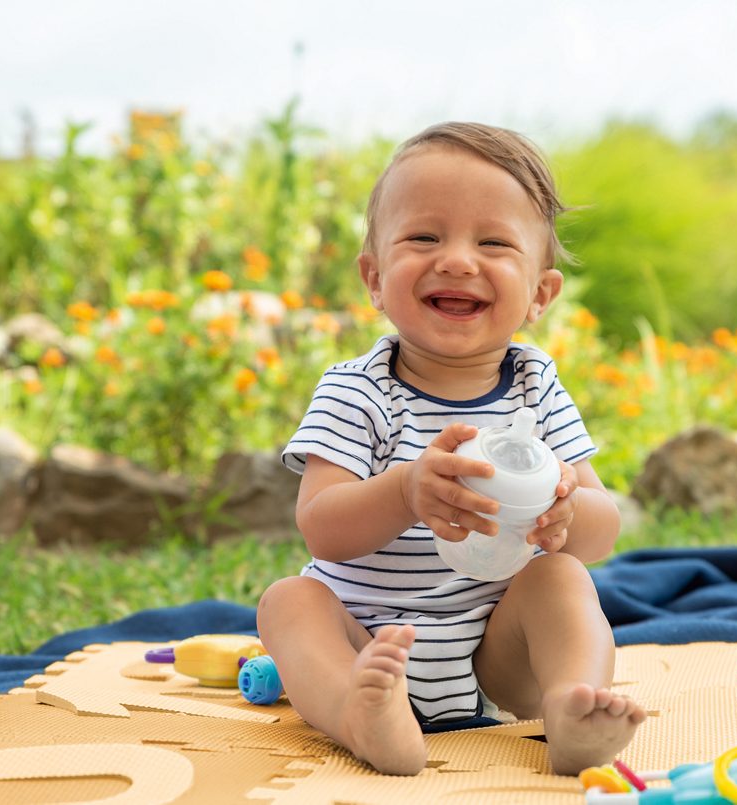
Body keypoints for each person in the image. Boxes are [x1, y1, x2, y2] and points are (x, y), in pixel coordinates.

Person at [257, 122, 645, 777]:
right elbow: (320, 527)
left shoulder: (536, 387)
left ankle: (569, 708)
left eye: (493, 242)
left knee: (563, 576)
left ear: (540, 294)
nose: (458, 260)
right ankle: (359, 714)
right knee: (288, 602)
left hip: (498, 656)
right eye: (424, 237)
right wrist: (406, 490)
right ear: (375, 278)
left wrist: (566, 514)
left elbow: (602, 525)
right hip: (366, 644)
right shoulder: (357, 390)